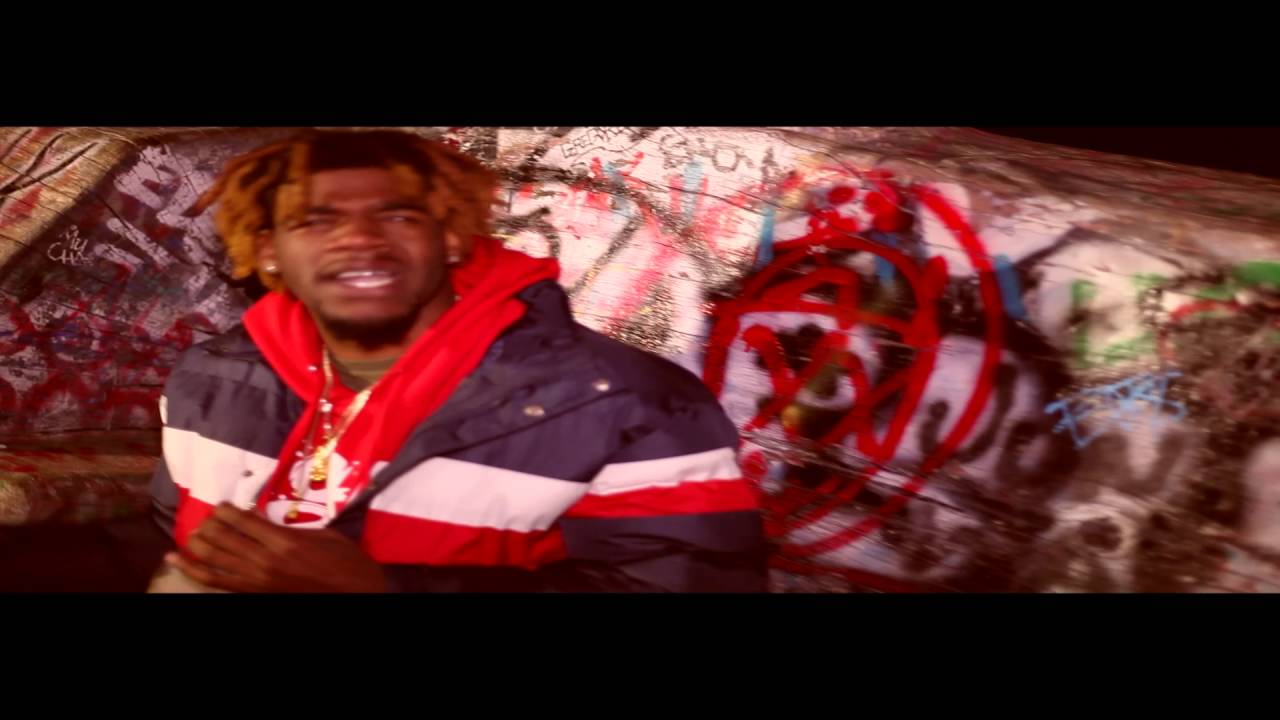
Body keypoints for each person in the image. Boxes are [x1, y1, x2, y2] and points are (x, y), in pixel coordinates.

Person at [148, 129, 765, 592]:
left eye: (397, 215)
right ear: (269, 251)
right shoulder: (210, 380)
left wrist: (381, 588)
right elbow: (174, 544)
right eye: (315, 220)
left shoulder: (630, 405)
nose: (358, 238)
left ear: (448, 239)